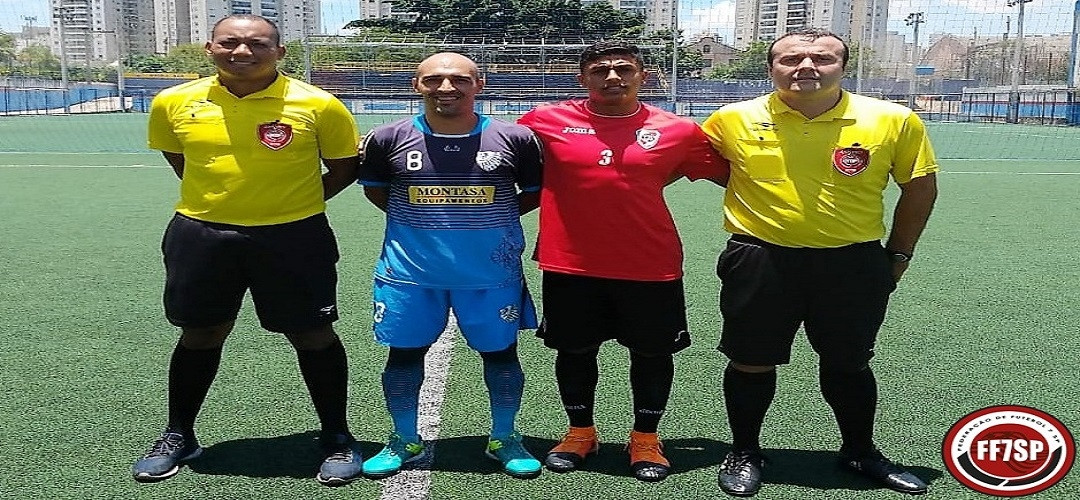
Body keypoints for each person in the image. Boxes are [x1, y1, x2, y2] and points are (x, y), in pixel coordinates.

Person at [701, 29, 938, 497]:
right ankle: (744, 450)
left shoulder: (892, 120)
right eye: (791, 59)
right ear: (771, 69)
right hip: (760, 258)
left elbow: (920, 187)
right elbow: (705, 165)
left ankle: (860, 451)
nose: (806, 67)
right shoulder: (731, 119)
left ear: (842, 68)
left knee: (849, 363)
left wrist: (899, 254)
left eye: (821, 59)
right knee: (751, 361)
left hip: (853, 264)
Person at [131, 14, 364, 486]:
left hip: (294, 236)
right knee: (201, 333)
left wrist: (292, 204)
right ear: (210, 48)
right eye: (230, 43)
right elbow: (180, 159)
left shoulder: (318, 104)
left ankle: (337, 437)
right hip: (201, 235)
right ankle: (179, 434)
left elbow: (343, 168)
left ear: (279, 52)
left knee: (312, 334)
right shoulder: (173, 101)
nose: (243, 52)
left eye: (257, 44)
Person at [518, 41, 729, 482]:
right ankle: (580, 433)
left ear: (642, 75)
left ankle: (645, 439)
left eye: (623, 69)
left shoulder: (678, 130)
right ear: (582, 79)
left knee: (652, 353)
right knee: (574, 350)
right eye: (600, 70)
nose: (612, 77)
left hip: (649, 263)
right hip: (570, 262)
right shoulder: (544, 121)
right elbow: (494, 150)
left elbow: (736, 173)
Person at [356, 52, 544, 479]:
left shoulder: (516, 138)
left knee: (500, 354)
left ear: (479, 84)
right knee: (404, 355)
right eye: (434, 79)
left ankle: (504, 437)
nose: (446, 88)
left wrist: (486, 225)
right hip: (409, 274)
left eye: (458, 79)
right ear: (415, 85)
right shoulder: (386, 138)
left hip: (490, 275)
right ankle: (403, 438)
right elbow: (376, 192)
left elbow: (531, 194)